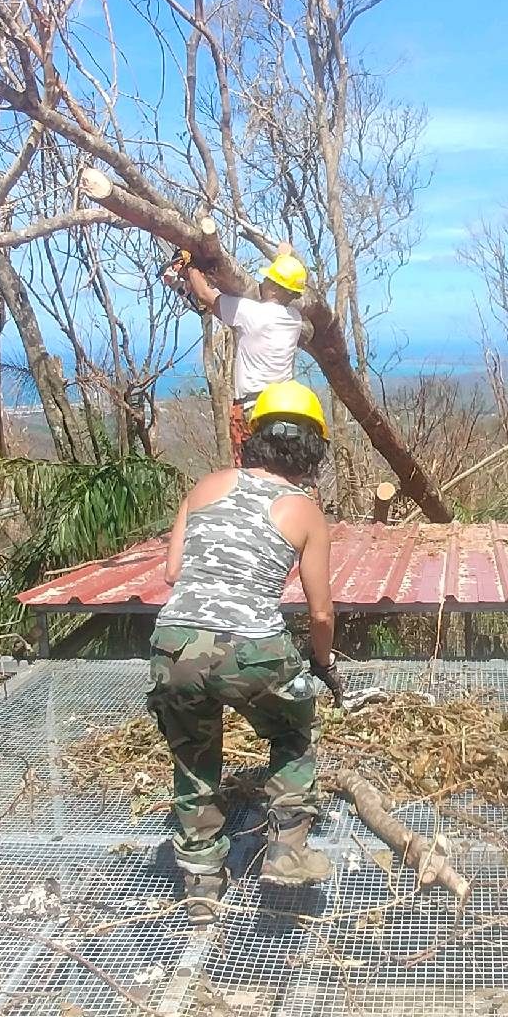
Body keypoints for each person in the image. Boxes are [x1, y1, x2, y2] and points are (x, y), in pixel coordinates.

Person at [148, 380, 343, 924]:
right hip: (252, 649)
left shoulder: (206, 486)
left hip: (174, 643)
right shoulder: (303, 511)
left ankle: (202, 879)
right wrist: (321, 666)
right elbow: (321, 614)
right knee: (290, 731)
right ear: (312, 449)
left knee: (193, 753)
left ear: (253, 438)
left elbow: (171, 573)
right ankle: (286, 851)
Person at [169, 248, 310, 456]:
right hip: (283, 405)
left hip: (252, 408)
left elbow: (205, 295)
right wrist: (283, 257)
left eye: (268, 280)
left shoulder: (252, 313)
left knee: (249, 465)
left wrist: (190, 267)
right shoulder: (295, 319)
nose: (263, 283)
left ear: (275, 288)